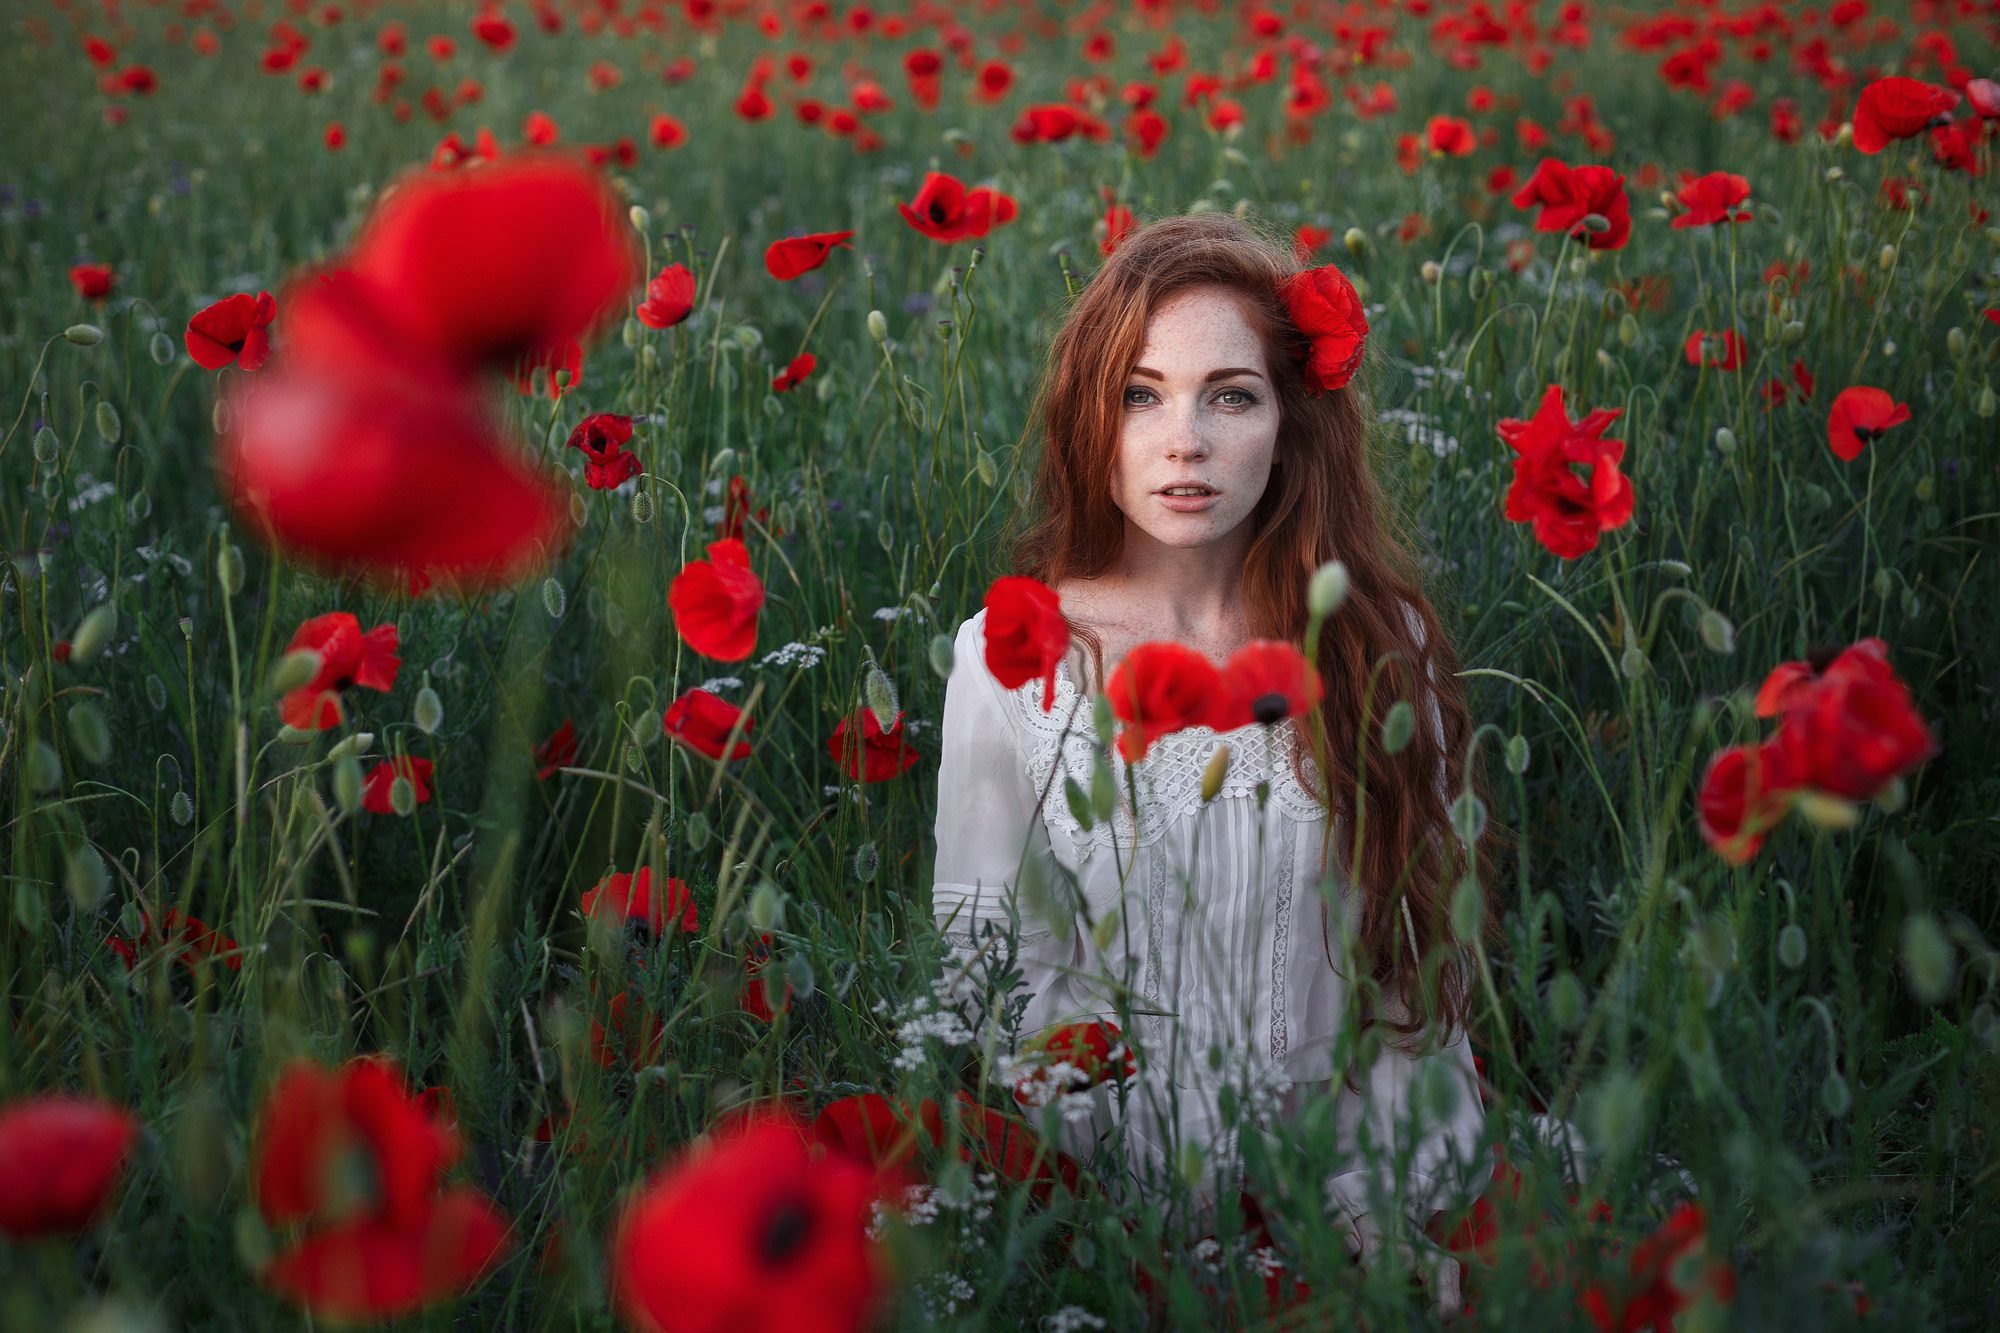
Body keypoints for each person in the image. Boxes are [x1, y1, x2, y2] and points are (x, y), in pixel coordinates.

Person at [930, 214, 1485, 1309]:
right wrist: (1088, 1205)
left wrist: (1365, 1204)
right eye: (1140, 395)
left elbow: (1409, 974)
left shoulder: (1375, 642)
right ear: (1092, 421)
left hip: (1342, 1184)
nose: (1182, 438)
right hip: (1085, 1197)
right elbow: (977, 974)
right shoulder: (1011, 654)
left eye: (1229, 394)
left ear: (1289, 421)